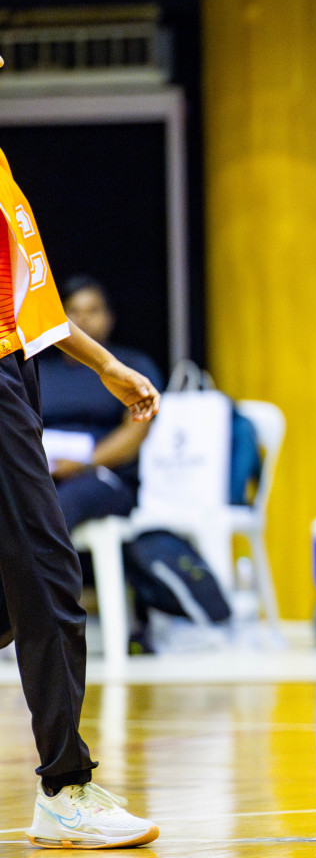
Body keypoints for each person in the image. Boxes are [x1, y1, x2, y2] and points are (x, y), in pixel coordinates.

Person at [0, 102, 162, 848]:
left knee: (16, 598)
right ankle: (67, 786)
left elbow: (35, 304)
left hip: (16, 374)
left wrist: (106, 366)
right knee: (49, 580)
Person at [38, 277, 164, 532]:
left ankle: (45, 571)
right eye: (73, 311)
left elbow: (136, 432)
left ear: (109, 317)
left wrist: (84, 463)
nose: (83, 319)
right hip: (43, 471)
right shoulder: (39, 369)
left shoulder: (129, 366)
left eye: (93, 310)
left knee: (58, 505)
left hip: (104, 475)